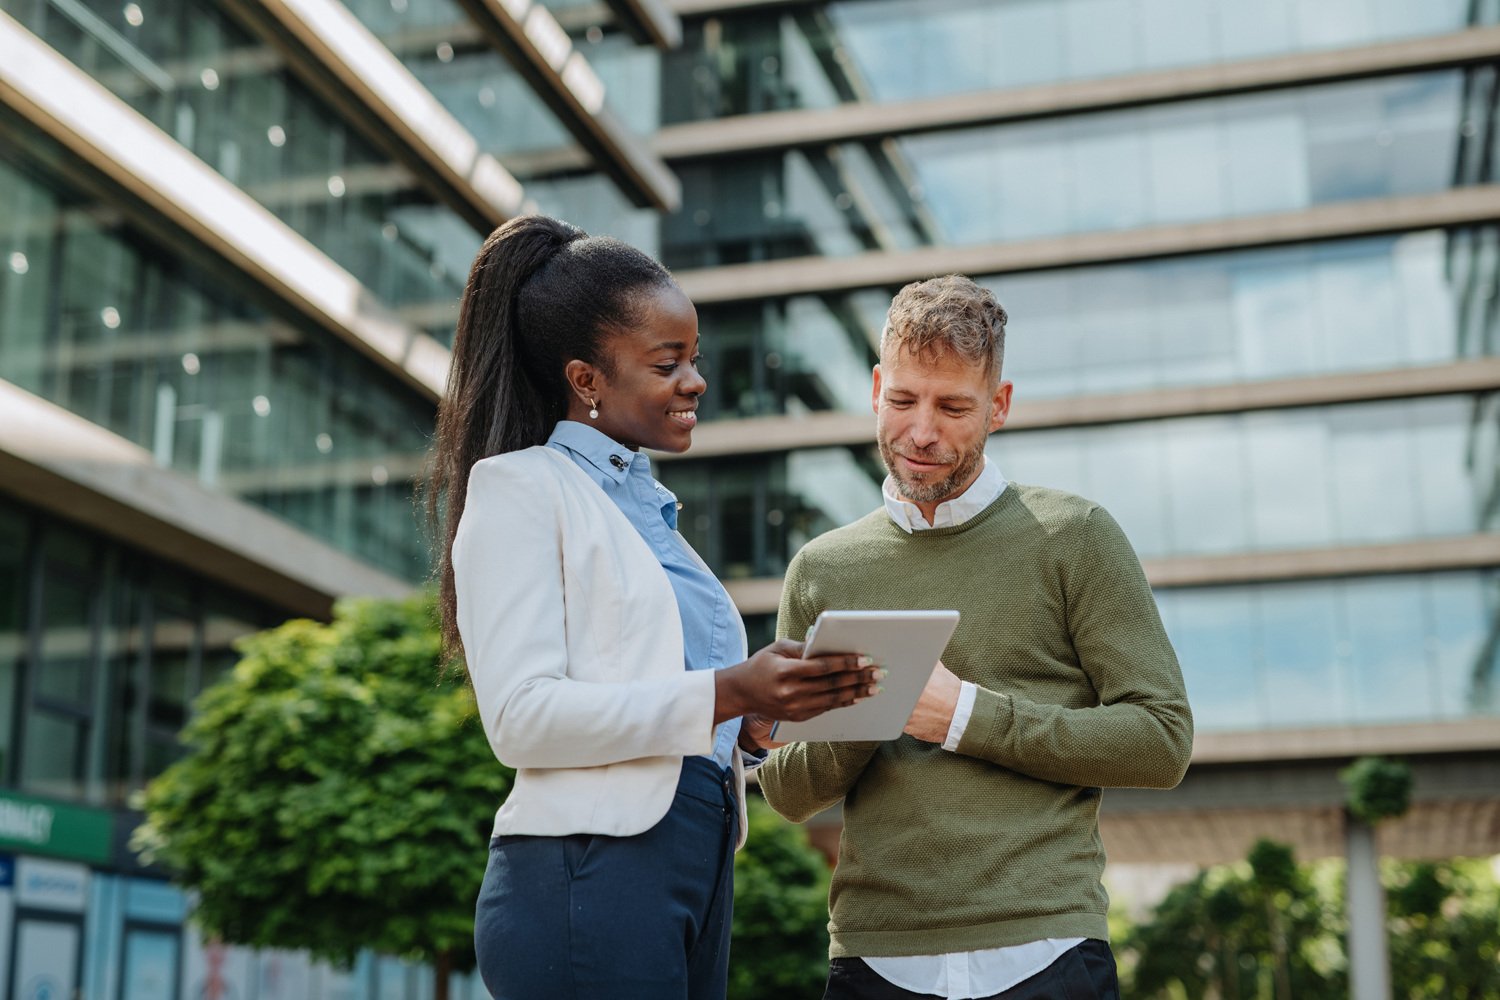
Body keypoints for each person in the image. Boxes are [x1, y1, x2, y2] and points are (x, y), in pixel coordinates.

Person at [429, 215, 881, 1000]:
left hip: (691, 863)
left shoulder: (651, 515)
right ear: (587, 379)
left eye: (694, 361)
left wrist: (755, 722)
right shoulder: (522, 489)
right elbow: (521, 719)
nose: (695, 382)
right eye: (667, 363)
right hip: (589, 871)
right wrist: (731, 691)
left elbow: (655, 689)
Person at [757, 275, 1194, 1000]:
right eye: (902, 400)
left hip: (1047, 952)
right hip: (874, 960)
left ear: (999, 405)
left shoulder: (1074, 538)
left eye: (954, 406)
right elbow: (787, 791)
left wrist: (964, 716)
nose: (921, 431)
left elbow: (1161, 738)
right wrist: (871, 706)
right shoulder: (821, 570)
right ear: (874, 390)